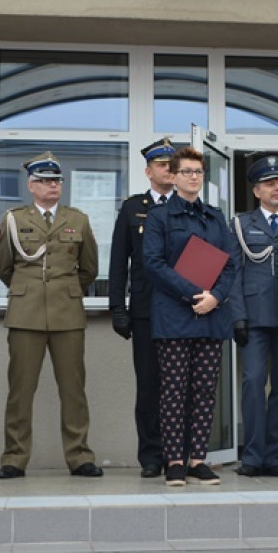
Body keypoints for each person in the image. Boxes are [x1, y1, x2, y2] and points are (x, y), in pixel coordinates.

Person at [0, 152, 103, 480]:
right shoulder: (13, 219)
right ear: (31, 185)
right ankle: (14, 457)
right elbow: (4, 267)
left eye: (56, 181)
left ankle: (80, 455)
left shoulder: (78, 219)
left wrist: (62, 290)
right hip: (25, 313)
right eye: (44, 181)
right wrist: (30, 290)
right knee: (20, 390)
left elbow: (89, 269)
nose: (52, 186)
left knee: (73, 389)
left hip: (67, 313)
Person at [143, 146, 237, 487]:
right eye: (186, 172)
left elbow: (230, 263)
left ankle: (198, 458)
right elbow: (153, 264)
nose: (193, 177)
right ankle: (174, 461)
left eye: (198, 172)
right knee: (173, 391)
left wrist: (216, 297)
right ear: (173, 176)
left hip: (210, 316)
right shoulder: (159, 217)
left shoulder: (215, 216)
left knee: (204, 390)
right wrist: (193, 293)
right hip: (174, 316)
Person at [108, 137, 176, 478]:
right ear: (149, 171)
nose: (169, 170)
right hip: (147, 309)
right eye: (162, 165)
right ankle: (151, 455)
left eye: (172, 164)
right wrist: (118, 307)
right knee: (149, 385)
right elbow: (119, 261)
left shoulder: (190, 205)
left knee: (179, 385)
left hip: (182, 309)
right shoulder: (134, 207)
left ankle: (179, 453)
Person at [229, 155, 278, 478]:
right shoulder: (241, 225)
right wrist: (237, 316)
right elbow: (234, 273)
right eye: (270, 183)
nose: (277, 188)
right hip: (254, 318)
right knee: (254, 383)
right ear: (257, 191)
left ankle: (275, 455)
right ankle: (253, 455)